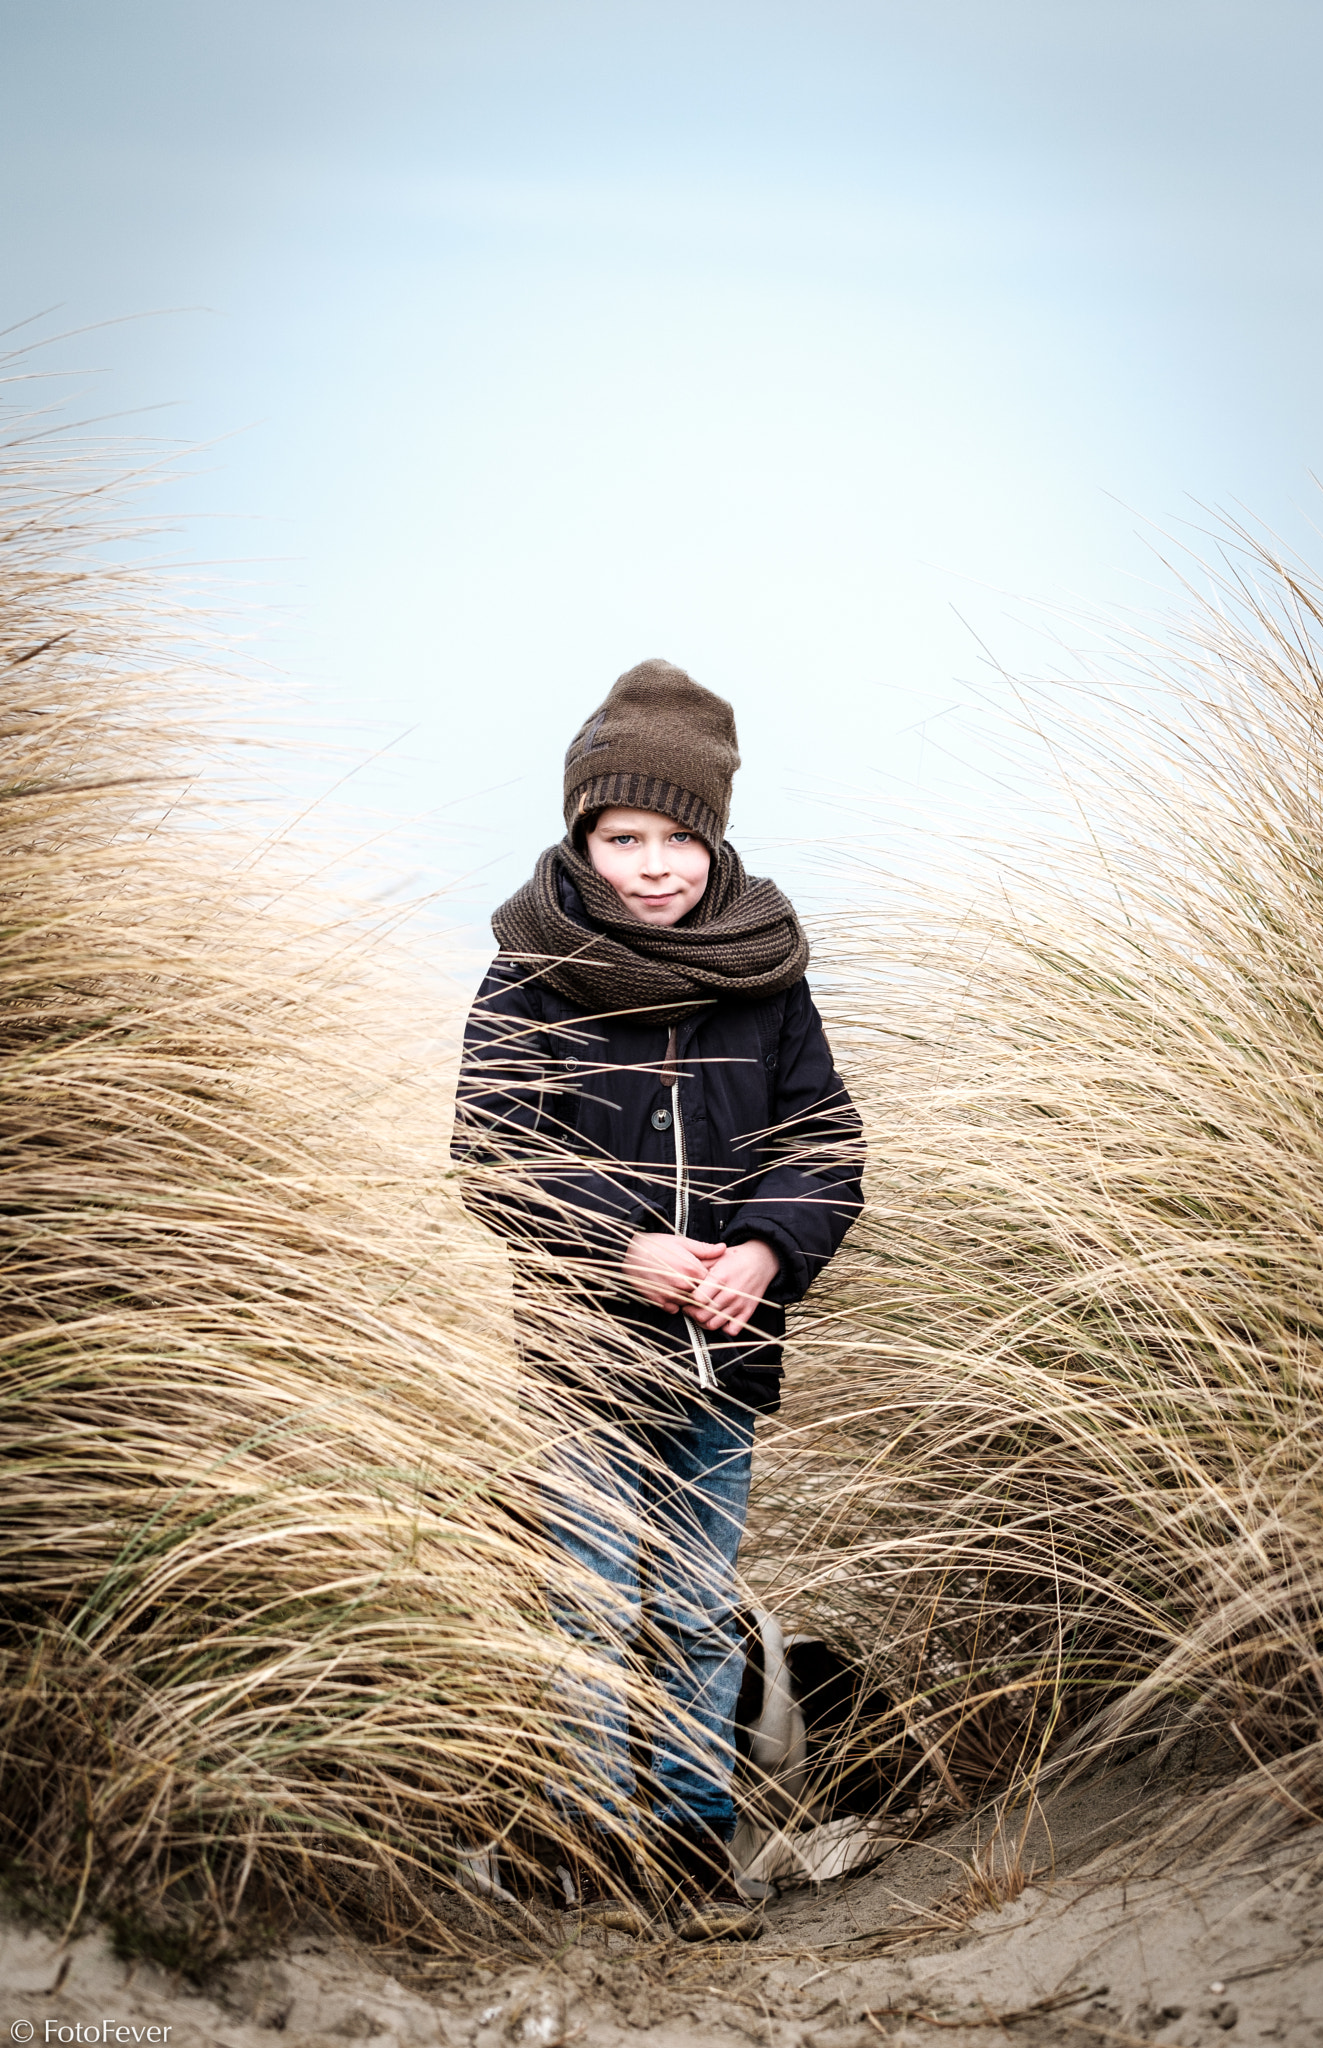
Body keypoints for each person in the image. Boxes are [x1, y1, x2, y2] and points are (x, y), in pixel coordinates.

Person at [451, 659, 863, 1939]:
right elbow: (494, 1149)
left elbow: (825, 1140)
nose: (653, 863)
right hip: (584, 1357)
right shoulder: (530, 976)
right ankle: (588, 1841)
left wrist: (762, 1252)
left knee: (691, 1602)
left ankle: (691, 1847)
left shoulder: (768, 976)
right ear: (583, 834)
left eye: (680, 835)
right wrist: (618, 1248)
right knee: (586, 1599)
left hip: (720, 1366)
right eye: (624, 835)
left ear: (716, 837)